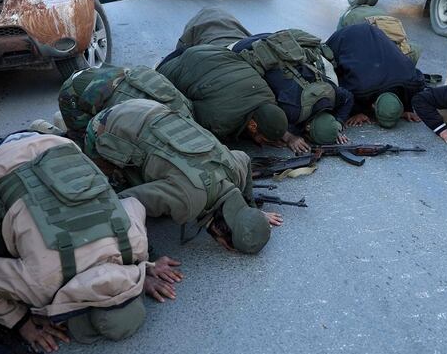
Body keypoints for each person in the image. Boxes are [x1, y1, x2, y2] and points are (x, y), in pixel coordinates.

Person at [0, 132, 183, 353]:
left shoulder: (134, 245)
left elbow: (133, 203)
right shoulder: (41, 285)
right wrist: (20, 320)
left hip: (56, 146)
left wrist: (142, 265)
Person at [84, 99, 283, 254]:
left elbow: (245, 158)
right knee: (104, 193)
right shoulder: (187, 201)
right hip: (106, 124)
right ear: (222, 236)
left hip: (152, 109)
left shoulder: (234, 172)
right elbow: (124, 202)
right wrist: (148, 260)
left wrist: (248, 209)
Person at [157, 43, 306, 152]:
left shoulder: (267, 96)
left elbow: (268, 115)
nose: (262, 143)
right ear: (253, 126)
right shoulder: (220, 121)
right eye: (263, 139)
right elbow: (190, 118)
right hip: (175, 66)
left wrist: (288, 137)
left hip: (210, 49)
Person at [232, 29, 354, 147]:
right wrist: (290, 138)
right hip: (244, 48)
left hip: (275, 42)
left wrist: (334, 127)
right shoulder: (293, 113)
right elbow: (272, 122)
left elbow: (348, 97)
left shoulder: (331, 95)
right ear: (307, 127)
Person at [325, 22, 427, 128]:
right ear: (373, 106)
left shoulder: (412, 81)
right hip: (345, 36)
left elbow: (415, 78)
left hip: (374, 31)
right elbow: (342, 88)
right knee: (328, 64)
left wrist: (407, 108)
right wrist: (356, 111)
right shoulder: (362, 88)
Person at [56, 65, 192, 141]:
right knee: (83, 140)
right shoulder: (183, 118)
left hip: (119, 76)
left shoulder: (186, 115)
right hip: (77, 91)